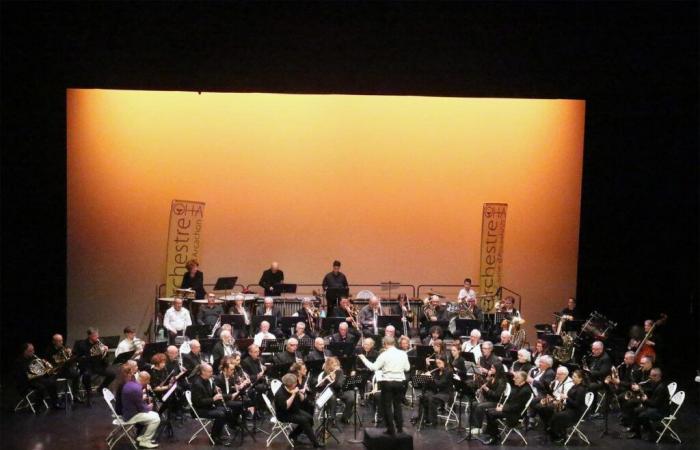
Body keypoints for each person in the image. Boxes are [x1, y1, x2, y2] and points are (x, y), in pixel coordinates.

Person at [358, 336, 410, 436]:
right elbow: (407, 368)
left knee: (387, 406)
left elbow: (374, 367)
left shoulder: (384, 355)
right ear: (394, 343)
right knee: (397, 405)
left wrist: (364, 359)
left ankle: (391, 429)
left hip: (387, 382)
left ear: (385, 344)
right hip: (399, 382)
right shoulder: (403, 353)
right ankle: (400, 428)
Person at [480, 370, 533, 445]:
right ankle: (494, 434)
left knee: (491, 413)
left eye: (516, 378)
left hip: (515, 415)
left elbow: (517, 407)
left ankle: (494, 437)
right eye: (515, 377)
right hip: (511, 410)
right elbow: (512, 402)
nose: (514, 379)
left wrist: (502, 408)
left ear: (523, 379)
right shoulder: (518, 387)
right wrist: (503, 406)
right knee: (488, 411)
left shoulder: (525, 391)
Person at [190, 363, 238, 446]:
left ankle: (218, 433)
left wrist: (215, 391)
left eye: (212, 371)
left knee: (227, 410)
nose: (212, 373)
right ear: (203, 372)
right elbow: (198, 402)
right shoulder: (197, 384)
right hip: (199, 410)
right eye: (209, 372)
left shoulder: (208, 380)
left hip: (207, 407)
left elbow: (209, 394)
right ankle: (214, 437)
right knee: (221, 414)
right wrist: (213, 399)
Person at [275, 373, 323, 447]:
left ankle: (293, 435)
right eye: (295, 383)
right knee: (304, 420)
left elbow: (303, 400)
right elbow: (285, 407)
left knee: (310, 418)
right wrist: (293, 394)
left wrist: (299, 393)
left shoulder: (293, 387)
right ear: (290, 385)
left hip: (294, 410)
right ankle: (315, 443)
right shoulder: (280, 394)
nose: (296, 384)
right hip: (284, 414)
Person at [120, 370, 160, 448]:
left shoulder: (131, 383)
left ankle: (142, 438)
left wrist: (142, 398)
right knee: (156, 419)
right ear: (145, 380)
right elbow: (142, 408)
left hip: (127, 411)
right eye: (148, 380)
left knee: (155, 415)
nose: (148, 383)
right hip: (131, 416)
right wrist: (148, 407)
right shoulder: (137, 389)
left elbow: (136, 401)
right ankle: (144, 441)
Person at [627, 367, 669, 440]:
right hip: (655, 408)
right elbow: (651, 394)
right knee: (636, 410)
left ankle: (652, 434)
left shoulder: (662, 387)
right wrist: (641, 391)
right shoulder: (655, 383)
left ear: (657, 376)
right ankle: (637, 434)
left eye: (651, 376)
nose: (649, 377)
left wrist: (646, 400)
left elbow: (656, 404)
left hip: (661, 411)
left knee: (642, 415)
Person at [74, 327, 113, 405]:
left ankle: (101, 388)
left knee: (112, 374)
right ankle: (89, 395)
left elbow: (104, 357)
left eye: (97, 334)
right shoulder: (81, 344)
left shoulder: (99, 343)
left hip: (98, 366)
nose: (97, 337)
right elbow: (77, 358)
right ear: (90, 336)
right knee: (86, 376)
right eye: (95, 335)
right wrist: (91, 354)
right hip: (87, 367)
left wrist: (105, 351)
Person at [15, 343, 60, 409]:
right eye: (31, 351)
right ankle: (37, 406)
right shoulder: (19, 361)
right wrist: (35, 372)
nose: (33, 352)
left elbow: (39, 370)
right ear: (25, 351)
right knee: (41, 387)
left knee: (51, 383)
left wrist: (44, 364)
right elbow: (23, 375)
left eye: (33, 350)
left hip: (36, 379)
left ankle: (55, 403)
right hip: (27, 381)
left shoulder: (33, 357)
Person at [548, 369, 588, 443]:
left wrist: (566, 398)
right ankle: (556, 433)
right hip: (569, 408)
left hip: (575, 412)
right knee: (553, 413)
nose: (572, 378)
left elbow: (577, 404)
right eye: (573, 376)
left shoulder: (581, 389)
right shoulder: (575, 386)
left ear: (581, 378)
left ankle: (559, 435)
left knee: (557, 416)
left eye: (575, 377)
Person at [470, 362, 507, 434]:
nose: (491, 369)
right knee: (474, 403)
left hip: (496, 402)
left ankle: (478, 428)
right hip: (489, 400)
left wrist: (487, 389)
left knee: (480, 406)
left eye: (493, 368)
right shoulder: (492, 378)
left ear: (498, 369)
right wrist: (484, 385)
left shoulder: (501, 381)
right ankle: (473, 425)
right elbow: (486, 392)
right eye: (491, 367)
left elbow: (497, 395)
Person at [532, 365, 574, 430]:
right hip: (553, 399)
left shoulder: (570, 384)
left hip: (562, 404)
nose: (556, 375)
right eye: (557, 373)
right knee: (538, 406)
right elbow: (552, 391)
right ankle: (547, 423)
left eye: (559, 374)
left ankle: (551, 424)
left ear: (565, 374)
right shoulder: (557, 380)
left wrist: (554, 399)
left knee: (546, 408)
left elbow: (565, 398)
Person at [316, 356, 355, 424]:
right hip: (330, 393)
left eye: (336, 364)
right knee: (332, 397)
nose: (335, 366)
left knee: (351, 396)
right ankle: (332, 418)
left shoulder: (340, 372)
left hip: (339, 392)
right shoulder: (325, 373)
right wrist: (330, 379)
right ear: (329, 365)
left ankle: (345, 417)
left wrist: (334, 380)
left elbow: (339, 385)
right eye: (333, 364)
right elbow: (324, 387)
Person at [45, 333, 81, 402]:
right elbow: (46, 363)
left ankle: (76, 396)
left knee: (77, 374)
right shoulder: (49, 350)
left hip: (64, 370)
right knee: (50, 382)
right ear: (54, 342)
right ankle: (55, 401)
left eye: (61, 340)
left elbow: (72, 359)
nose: (61, 342)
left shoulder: (64, 347)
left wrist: (70, 353)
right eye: (59, 341)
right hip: (55, 372)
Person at [418, 356, 453, 426]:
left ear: (445, 362)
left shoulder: (449, 372)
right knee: (423, 397)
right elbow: (433, 384)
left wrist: (430, 378)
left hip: (445, 393)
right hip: (437, 391)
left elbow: (441, 383)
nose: (438, 365)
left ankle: (433, 421)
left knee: (432, 399)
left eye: (440, 363)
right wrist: (425, 377)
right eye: (437, 363)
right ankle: (423, 418)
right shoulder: (437, 371)